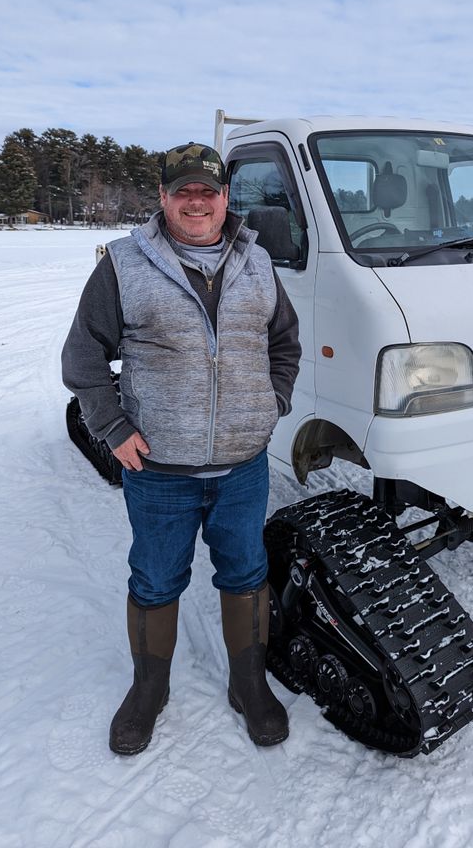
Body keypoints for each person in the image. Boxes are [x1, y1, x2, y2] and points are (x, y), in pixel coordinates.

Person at [62, 142, 301, 755]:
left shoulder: (258, 262)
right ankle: (149, 689)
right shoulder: (124, 264)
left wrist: (272, 401)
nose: (198, 201)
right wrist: (113, 428)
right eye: (184, 191)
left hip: (242, 465)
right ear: (164, 198)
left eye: (209, 191)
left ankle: (247, 684)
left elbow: (285, 342)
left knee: (246, 573)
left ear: (226, 198)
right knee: (156, 577)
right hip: (159, 468)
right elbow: (84, 357)